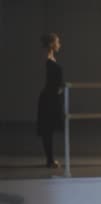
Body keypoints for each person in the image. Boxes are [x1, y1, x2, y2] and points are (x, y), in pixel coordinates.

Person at [37, 33, 64, 169]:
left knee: (49, 130)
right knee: (47, 130)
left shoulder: (50, 59)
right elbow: (51, 82)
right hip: (49, 99)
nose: (59, 44)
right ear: (52, 44)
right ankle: (50, 160)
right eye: (57, 42)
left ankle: (50, 159)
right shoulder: (48, 59)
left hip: (51, 98)